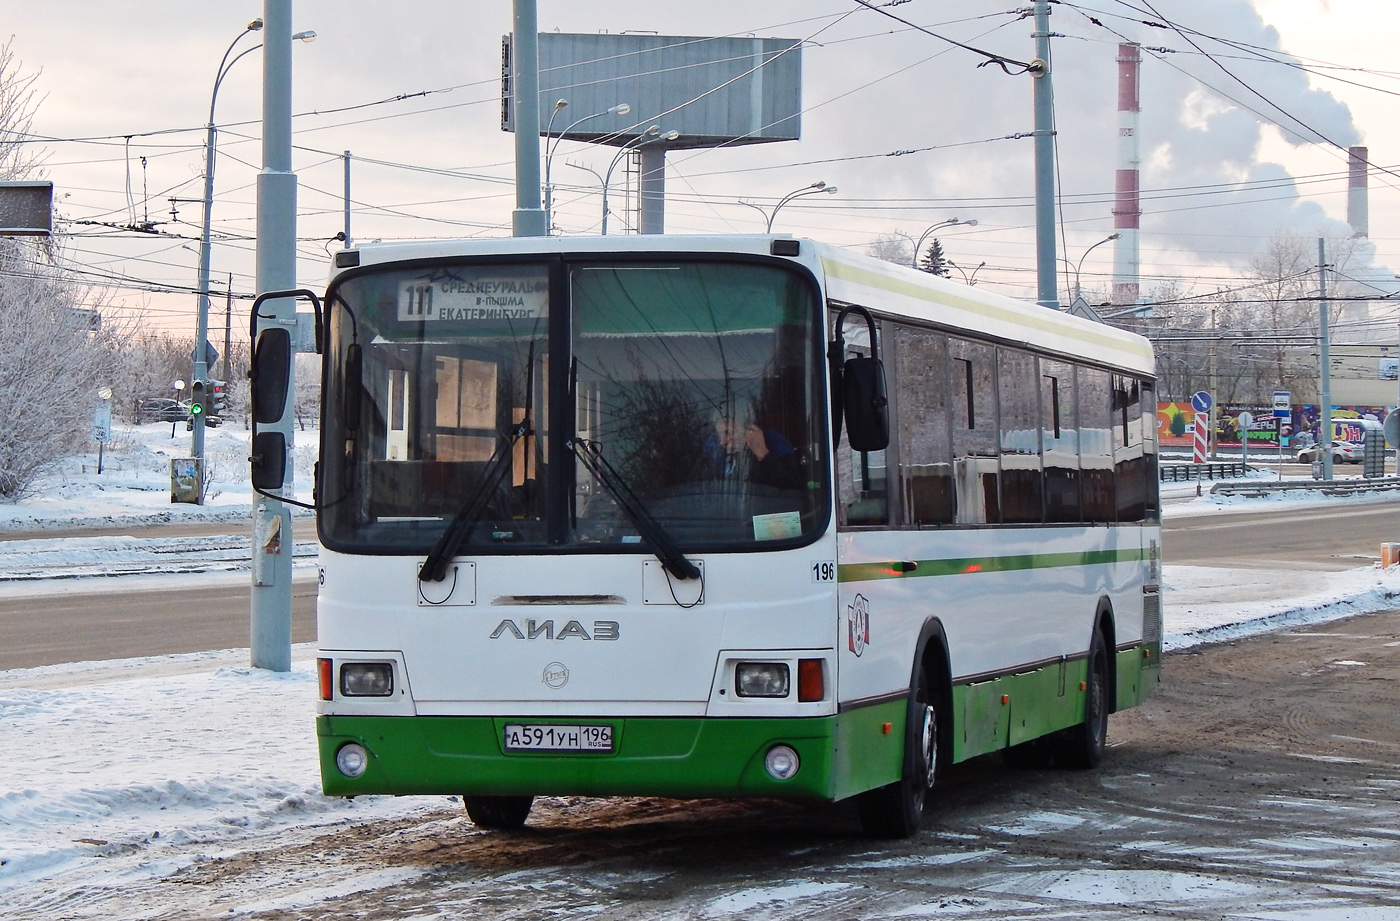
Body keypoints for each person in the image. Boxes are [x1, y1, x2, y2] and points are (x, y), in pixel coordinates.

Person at [703, 411, 803, 490]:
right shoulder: (713, 448)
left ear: (747, 429)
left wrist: (762, 454)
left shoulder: (773, 442)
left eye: (728, 433)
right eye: (720, 433)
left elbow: (792, 484)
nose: (722, 441)